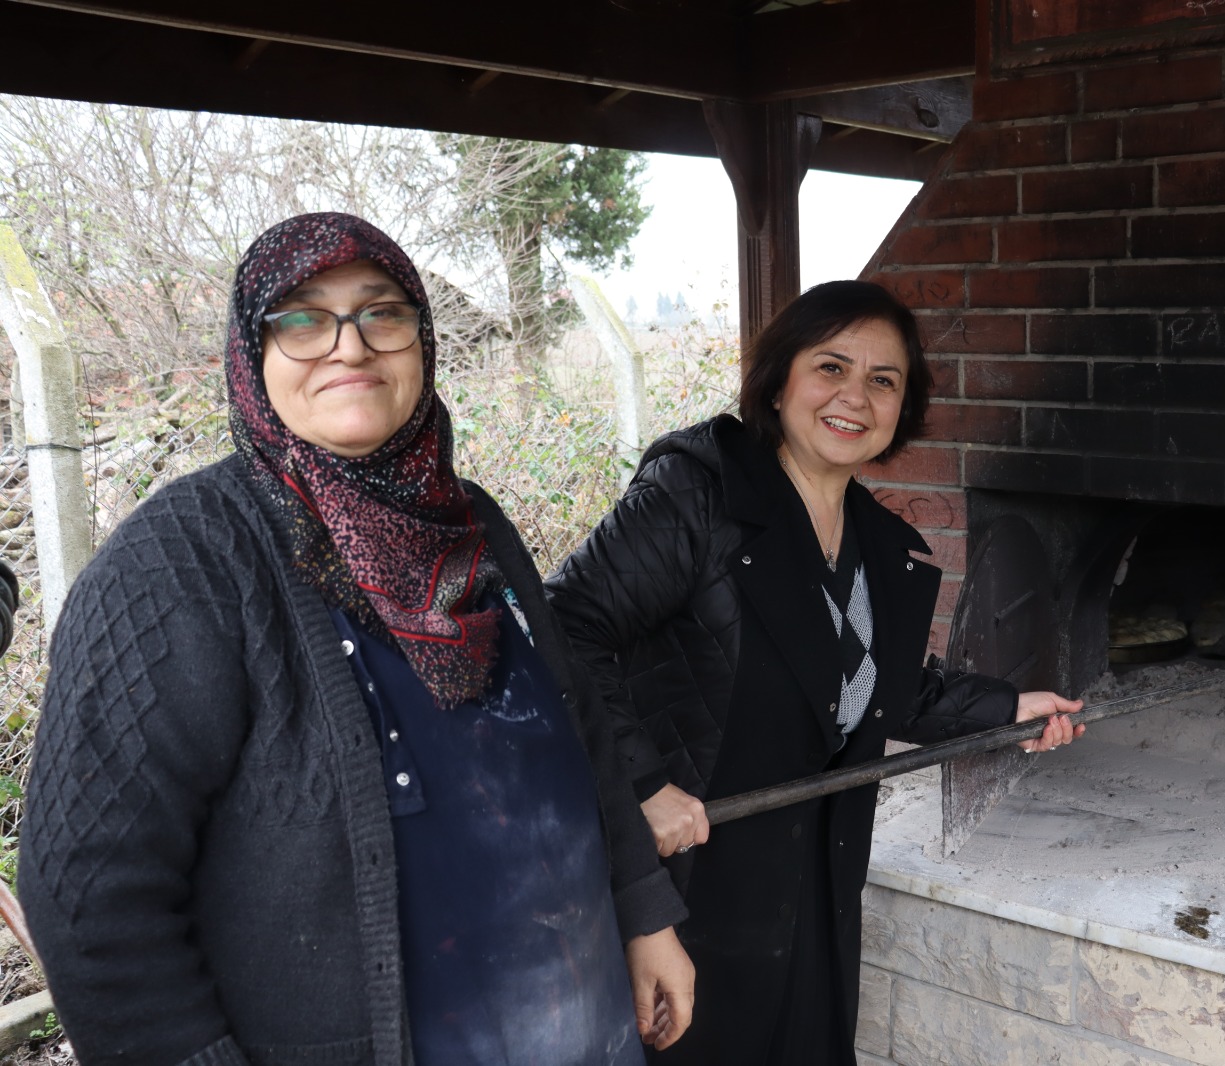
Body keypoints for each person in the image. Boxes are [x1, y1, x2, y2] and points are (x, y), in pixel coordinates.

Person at [19, 213, 693, 1066]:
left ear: (422, 341)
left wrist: (641, 910)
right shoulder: (178, 565)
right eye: (300, 318)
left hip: (583, 1021)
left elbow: (579, 730)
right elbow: (88, 894)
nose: (349, 346)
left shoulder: (473, 523)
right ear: (250, 355)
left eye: (383, 312)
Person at [545, 280, 1085, 1065]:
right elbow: (563, 624)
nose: (854, 398)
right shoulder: (698, 491)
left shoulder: (875, 541)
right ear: (779, 378)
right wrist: (642, 786)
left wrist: (1008, 706)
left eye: (883, 380)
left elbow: (869, 686)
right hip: (690, 894)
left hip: (815, 886)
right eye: (831, 367)